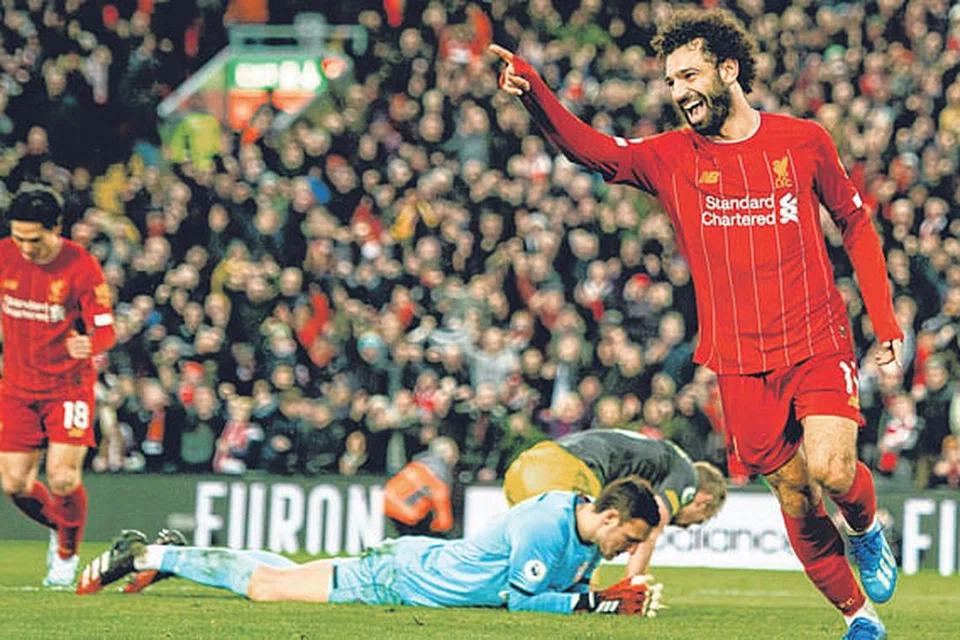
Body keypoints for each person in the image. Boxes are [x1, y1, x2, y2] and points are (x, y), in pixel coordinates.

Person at [491, 9, 900, 640]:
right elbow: (590, 149)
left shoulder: (802, 141)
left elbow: (855, 221)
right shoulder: (670, 157)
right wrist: (535, 91)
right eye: (670, 80)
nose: (678, 90)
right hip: (738, 360)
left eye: (688, 74)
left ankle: (866, 529)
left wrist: (885, 320)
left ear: (728, 70)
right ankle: (858, 616)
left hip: (816, 338)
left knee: (832, 470)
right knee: (795, 494)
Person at [77, 477, 664, 618]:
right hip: (401, 578)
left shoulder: (586, 530)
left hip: (412, 570)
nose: (627, 550)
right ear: (610, 516)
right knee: (267, 589)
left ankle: (174, 554)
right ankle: (148, 555)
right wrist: (595, 604)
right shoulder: (544, 524)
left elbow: (567, 585)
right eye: (630, 539)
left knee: (288, 576)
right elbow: (521, 600)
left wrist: (599, 595)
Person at [0, 185, 116, 586]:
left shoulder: (81, 266)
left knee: (63, 477)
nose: (25, 248)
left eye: (34, 239)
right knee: (13, 483)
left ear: (56, 229)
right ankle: (62, 526)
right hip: (17, 388)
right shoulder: (4, 256)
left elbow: (106, 328)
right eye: (18, 237)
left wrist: (91, 344)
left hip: (68, 386)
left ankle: (66, 555)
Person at [504, 429, 726, 577]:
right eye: (700, 520)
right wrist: (635, 583)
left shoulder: (661, 457)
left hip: (527, 464)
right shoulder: (687, 477)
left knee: (529, 542)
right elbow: (653, 527)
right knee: (588, 533)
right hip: (567, 469)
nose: (688, 525)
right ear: (703, 500)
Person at [383, 436, 458, 537]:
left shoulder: (417, 464)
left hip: (385, 505)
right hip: (406, 515)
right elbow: (443, 519)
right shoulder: (440, 475)